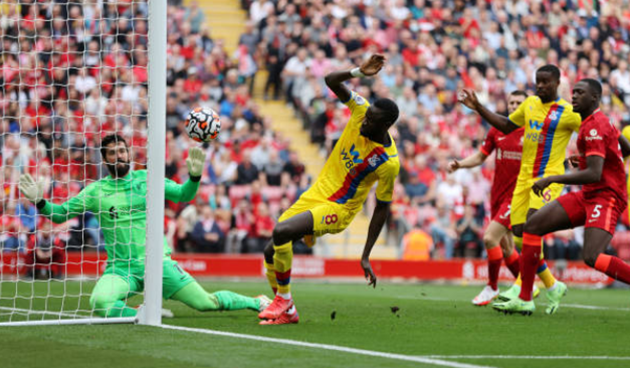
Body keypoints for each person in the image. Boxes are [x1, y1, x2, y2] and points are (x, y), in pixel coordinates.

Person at [18, 134, 270, 318]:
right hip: (122, 268)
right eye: (113, 153)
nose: (120, 156)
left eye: (122, 151)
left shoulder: (146, 178)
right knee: (99, 303)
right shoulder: (96, 190)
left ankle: (257, 301)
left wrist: (194, 177)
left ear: (129, 153)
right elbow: (60, 214)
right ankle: (141, 313)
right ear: (105, 159)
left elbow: (184, 194)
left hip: (158, 263)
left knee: (206, 303)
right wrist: (40, 201)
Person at [258, 54, 400, 325]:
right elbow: (330, 80)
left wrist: (366, 253)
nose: (364, 121)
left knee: (282, 232)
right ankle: (286, 310)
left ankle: (284, 302)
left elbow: (382, 208)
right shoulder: (361, 112)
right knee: (270, 252)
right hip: (315, 194)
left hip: (339, 208)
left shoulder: (388, 163)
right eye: (366, 116)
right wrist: (359, 71)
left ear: (385, 125)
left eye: (371, 120)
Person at [493, 79, 630, 314]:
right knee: (532, 226)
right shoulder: (592, 122)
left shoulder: (595, 125)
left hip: (606, 197)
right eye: (573, 92)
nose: (573, 97)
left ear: (594, 99)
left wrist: (553, 178)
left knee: (592, 257)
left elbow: (595, 174)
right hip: (588, 195)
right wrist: (588, 159)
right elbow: (625, 149)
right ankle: (525, 297)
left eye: (580, 93)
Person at [458, 65, 581, 314]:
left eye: (546, 82)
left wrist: (587, 156)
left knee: (532, 228)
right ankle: (552, 285)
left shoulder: (568, 112)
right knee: (519, 237)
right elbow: (505, 125)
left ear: (557, 83)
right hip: (523, 182)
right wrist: (479, 107)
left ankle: (523, 293)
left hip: (548, 180)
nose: (541, 85)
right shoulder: (531, 104)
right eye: (538, 81)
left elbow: (591, 132)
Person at [448, 91, 534, 305]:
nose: (514, 106)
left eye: (518, 103)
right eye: (511, 102)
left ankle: (492, 287)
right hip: (497, 195)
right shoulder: (497, 130)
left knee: (489, 238)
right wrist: (460, 164)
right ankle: (528, 289)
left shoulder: (533, 132)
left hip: (517, 197)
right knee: (506, 248)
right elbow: (480, 156)